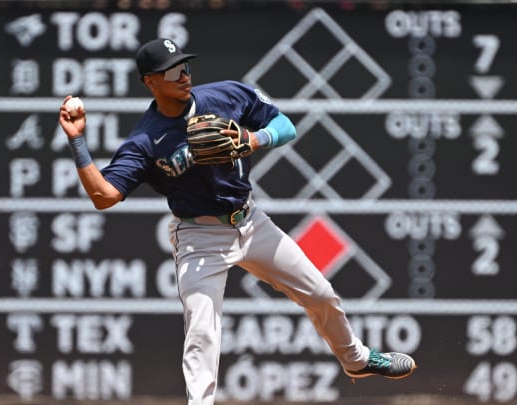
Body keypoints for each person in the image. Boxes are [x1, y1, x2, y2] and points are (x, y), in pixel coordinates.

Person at [58, 38, 417, 404]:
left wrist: (255, 138)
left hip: (250, 221)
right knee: (203, 332)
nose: (184, 76)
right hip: (199, 237)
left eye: (186, 67)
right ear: (151, 81)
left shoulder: (226, 95)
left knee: (321, 294)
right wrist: (77, 142)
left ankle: (356, 360)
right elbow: (104, 196)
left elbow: (285, 125)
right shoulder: (146, 140)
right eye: (172, 71)